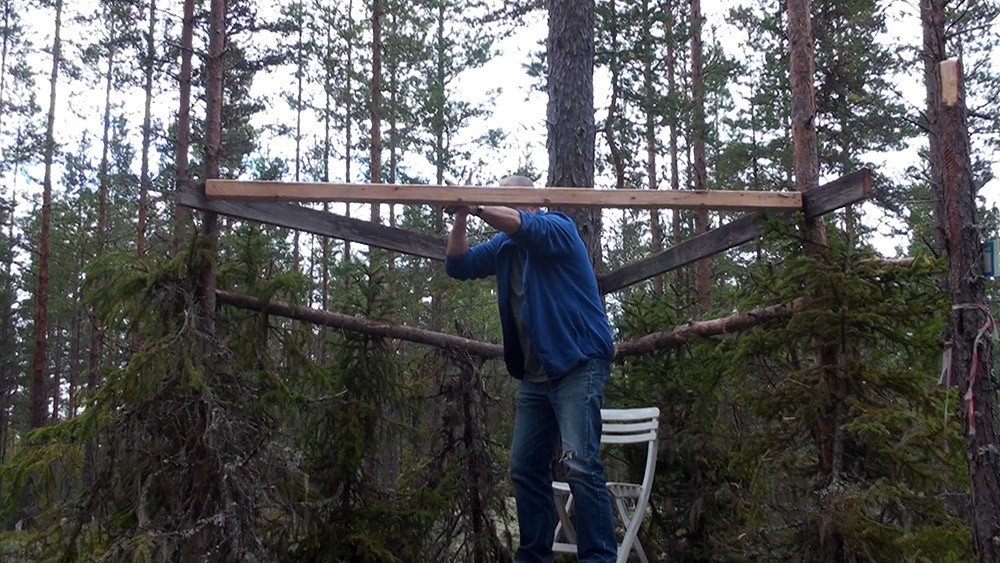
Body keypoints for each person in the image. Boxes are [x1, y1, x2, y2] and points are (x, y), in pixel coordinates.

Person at [444, 175, 617, 562]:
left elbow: (526, 226)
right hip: (537, 376)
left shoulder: (558, 228)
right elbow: (458, 265)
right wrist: (460, 216)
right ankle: (534, 556)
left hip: (578, 362)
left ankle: (599, 557)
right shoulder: (504, 247)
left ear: (532, 203)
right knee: (524, 467)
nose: (503, 209)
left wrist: (477, 205)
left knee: (581, 464)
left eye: (510, 202)